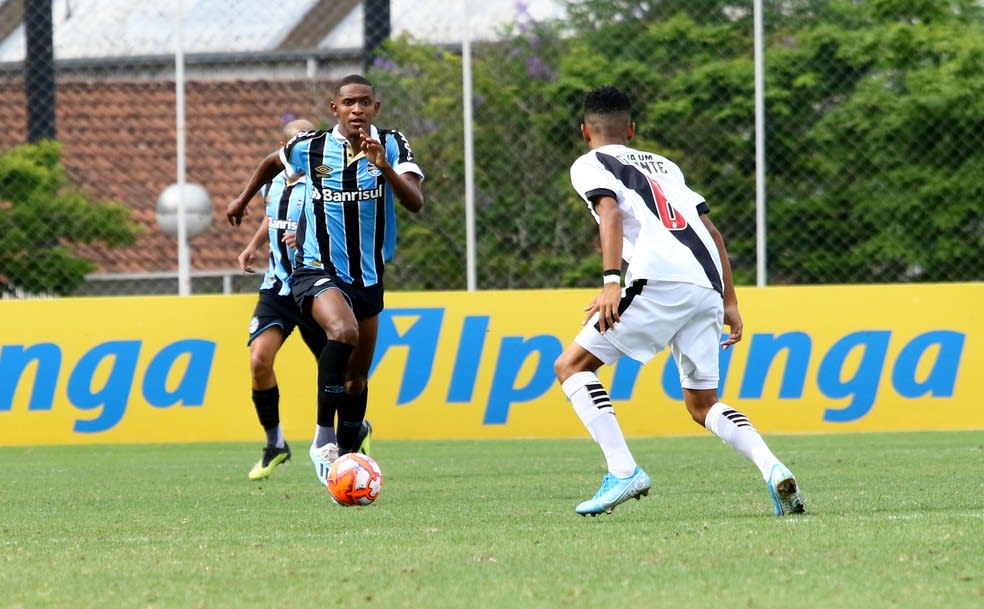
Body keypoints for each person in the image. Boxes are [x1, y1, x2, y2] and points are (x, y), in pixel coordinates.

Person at [555, 85, 805, 517]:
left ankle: (623, 470)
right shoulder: (666, 167)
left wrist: (612, 280)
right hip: (706, 286)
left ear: (584, 132)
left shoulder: (589, 163)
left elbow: (609, 212)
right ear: (631, 130)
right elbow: (713, 233)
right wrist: (730, 302)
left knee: (571, 367)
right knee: (702, 404)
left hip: (659, 279)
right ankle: (773, 467)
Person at [226, 74, 424, 487]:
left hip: (367, 277)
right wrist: (242, 199)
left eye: (364, 102)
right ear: (335, 109)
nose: (357, 109)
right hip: (316, 270)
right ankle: (323, 436)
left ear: (375, 108)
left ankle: (350, 457)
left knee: (356, 379)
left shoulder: (392, 144)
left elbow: (415, 202)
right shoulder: (309, 146)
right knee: (343, 329)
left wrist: (383, 167)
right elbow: (268, 162)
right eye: (348, 102)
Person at [238, 118, 329, 481]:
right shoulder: (274, 182)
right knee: (259, 359)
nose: (304, 146)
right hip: (277, 288)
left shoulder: (323, 182)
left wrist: (307, 237)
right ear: (283, 146)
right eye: (297, 140)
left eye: (310, 138)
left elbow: (334, 228)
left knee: (337, 371)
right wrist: (252, 246)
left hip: (314, 286)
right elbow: (271, 217)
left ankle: (352, 428)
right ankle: (276, 443)